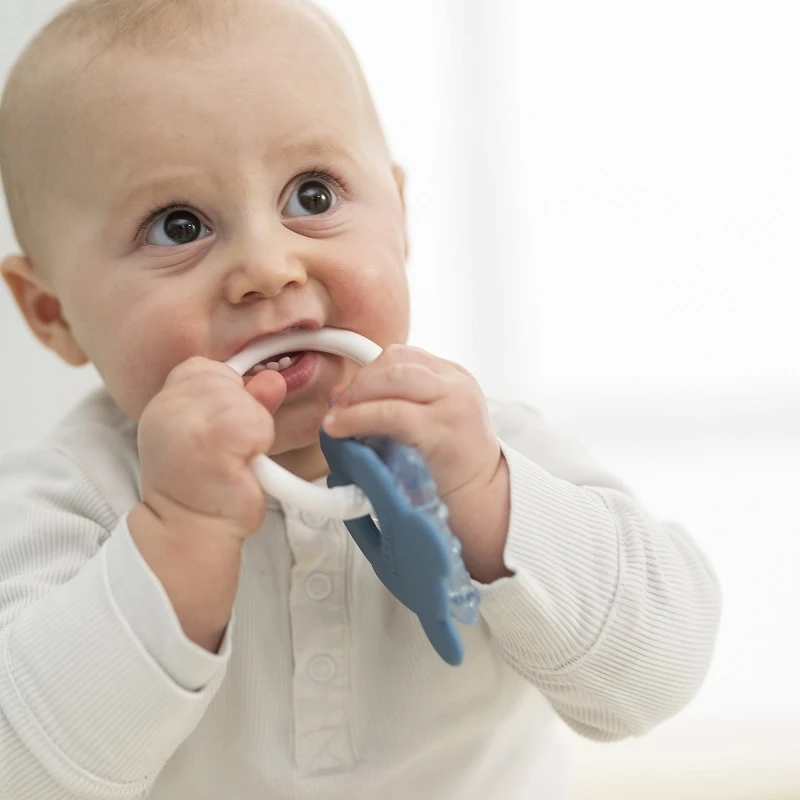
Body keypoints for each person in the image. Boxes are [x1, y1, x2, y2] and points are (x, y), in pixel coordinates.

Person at [0, 0, 721, 797]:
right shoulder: (64, 503)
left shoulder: (484, 448)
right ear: (53, 313)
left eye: (312, 196)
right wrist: (176, 538)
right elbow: (23, 768)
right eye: (178, 226)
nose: (270, 267)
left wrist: (489, 499)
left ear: (399, 218)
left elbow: (659, 675)